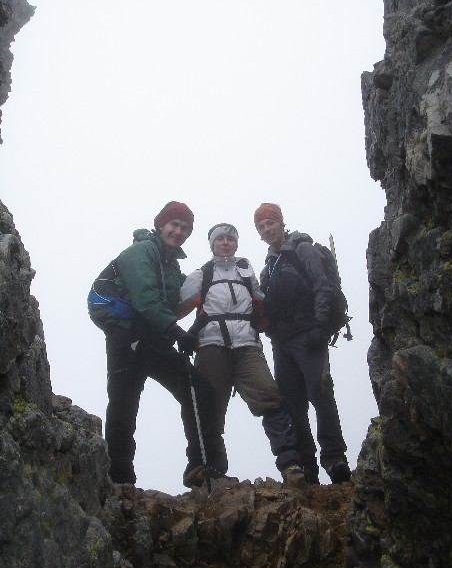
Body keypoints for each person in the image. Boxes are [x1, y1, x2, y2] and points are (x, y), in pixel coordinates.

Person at [103, 200, 234, 489]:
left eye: (185, 228)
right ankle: (118, 480)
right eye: (174, 224)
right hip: (127, 338)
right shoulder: (140, 252)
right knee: (124, 405)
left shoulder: (171, 266)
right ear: (161, 224)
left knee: (199, 392)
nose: (178, 231)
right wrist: (177, 332)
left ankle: (202, 466)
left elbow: (178, 301)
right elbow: (145, 298)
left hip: (156, 341)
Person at [177, 223, 304, 483]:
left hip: (246, 345)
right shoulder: (202, 274)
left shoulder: (246, 272)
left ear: (236, 243)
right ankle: (209, 470)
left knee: (269, 396)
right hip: (211, 344)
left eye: (230, 239)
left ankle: (291, 464)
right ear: (212, 244)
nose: (225, 243)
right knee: (210, 408)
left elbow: (262, 305)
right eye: (220, 239)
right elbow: (177, 307)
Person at [253, 203, 351, 485]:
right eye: (261, 227)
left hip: (308, 334)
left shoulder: (302, 249)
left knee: (320, 392)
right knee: (293, 403)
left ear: (281, 223)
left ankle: (334, 457)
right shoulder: (268, 268)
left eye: (270, 223)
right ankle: (308, 466)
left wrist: (320, 324)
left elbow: (322, 286)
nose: (267, 229)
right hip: (282, 343)